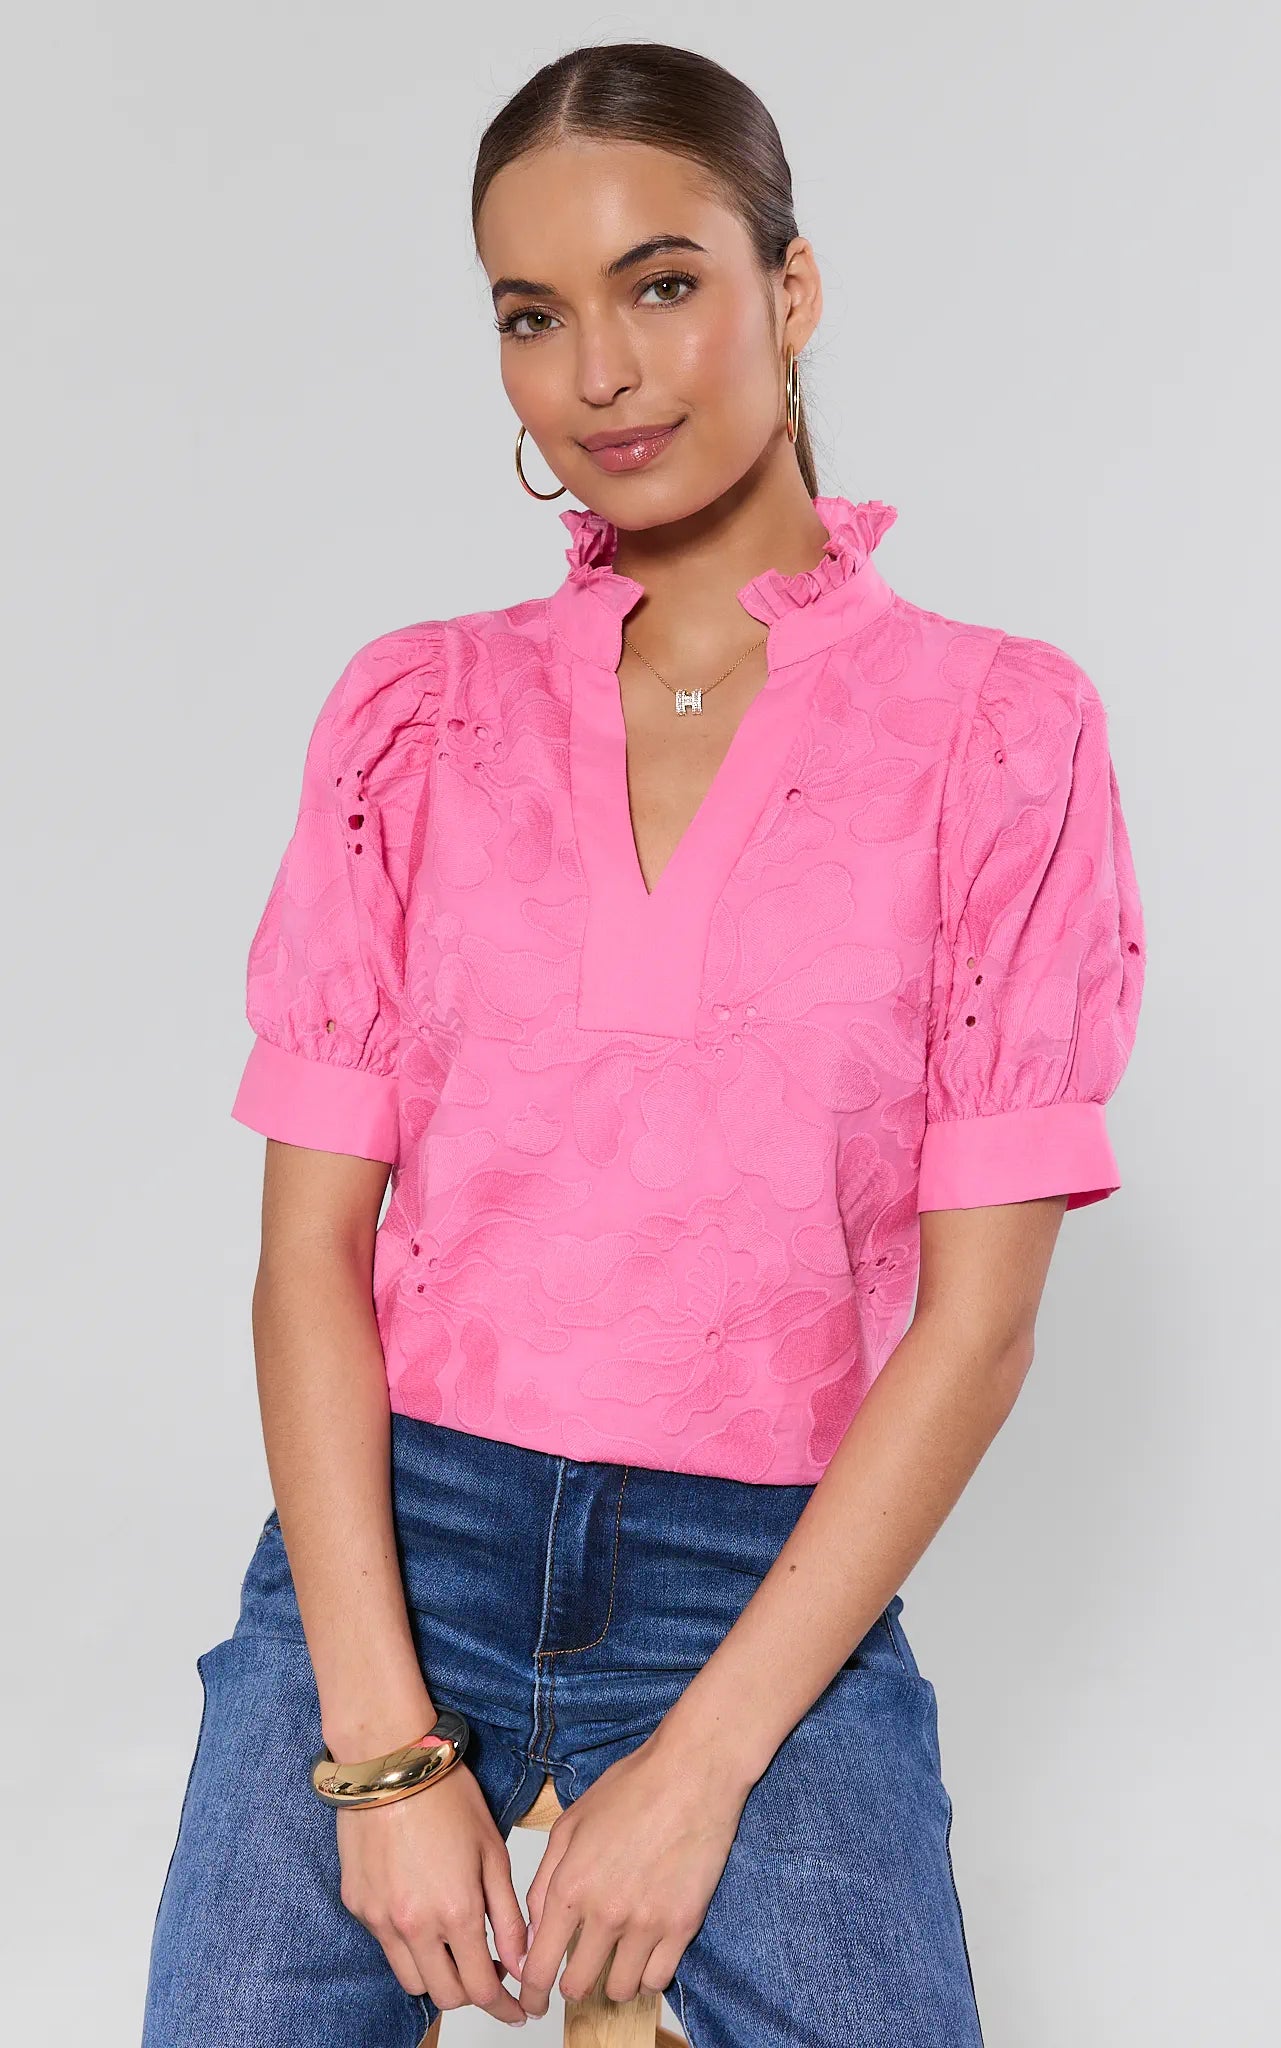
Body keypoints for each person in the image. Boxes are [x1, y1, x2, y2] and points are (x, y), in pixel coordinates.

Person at [140, 37, 1146, 2048]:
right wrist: (379, 1753)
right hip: (396, 1531)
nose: (597, 370)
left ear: (788, 290)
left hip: (757, 1555)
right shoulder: (411, 721)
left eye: (660, 283)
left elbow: (975, 1328)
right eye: (533, 315)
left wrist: (689, 1775)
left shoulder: (992, 735)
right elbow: (306, 1259)